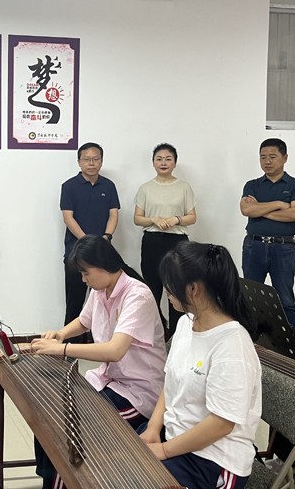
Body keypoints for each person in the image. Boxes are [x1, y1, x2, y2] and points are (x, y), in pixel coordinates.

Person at [31, 235, 166, 489]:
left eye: (86, 273)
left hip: (138, 392)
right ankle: (50, 478)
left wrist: (62, 348)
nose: (84, 280)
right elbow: (84, 321)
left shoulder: (137, 295)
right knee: (49, 415)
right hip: (109, 380)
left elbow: (115, 351)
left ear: (103, 265)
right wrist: (60, 334)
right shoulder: (100, 290)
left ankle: (62, 481)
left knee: (68, 431)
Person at [140, 241, 261, 489]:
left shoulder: (232, 345)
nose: (166, 290)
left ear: (193, 289)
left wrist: (163, 450)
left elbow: (221, 424)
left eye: (170, 284)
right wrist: (153, 427)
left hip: (213, 459)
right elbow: (171, 383)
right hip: (176, 438)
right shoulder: (186, 323)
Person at [240, 138, 295, 333]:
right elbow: (246, 210)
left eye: (272, 157)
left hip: (283, 248)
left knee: (285, 299)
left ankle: (290, 344)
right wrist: (279, 204)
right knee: (251, 297)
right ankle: (252, 341)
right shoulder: (252, 185)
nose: (267, 161)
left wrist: (260, 209)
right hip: (254, 246)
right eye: (263, 157)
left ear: (285, 158)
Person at [134, 143, 197, 337]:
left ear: (174, 163)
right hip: (152, 242)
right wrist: (153, 219)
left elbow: (192, 217)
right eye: (159, 159)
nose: (163, 163)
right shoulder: (145, 188)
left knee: (177, 290)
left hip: (177, 243)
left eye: (168, 159)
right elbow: (137, 219)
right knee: (152, 290)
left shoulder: (184, 187)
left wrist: (176, 219)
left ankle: (177, 337)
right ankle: (154, 336)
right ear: (153, 162)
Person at [59, 142, 120, 342]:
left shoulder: (109, 186)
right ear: (79, 162)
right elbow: (68, 218)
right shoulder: (69, 186)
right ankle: (70, 347)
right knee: (75, 303)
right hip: (75, 252)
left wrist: (106, 237)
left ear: (101, 161)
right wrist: (87, 242)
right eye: (87, 159)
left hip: (102, 254)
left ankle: (102, 343)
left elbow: (113, 215)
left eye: (95, 159)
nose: (91, 163)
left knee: (106, 301)